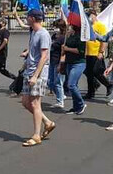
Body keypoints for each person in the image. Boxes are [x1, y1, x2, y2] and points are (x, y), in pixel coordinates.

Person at [19, 9, 56, 147]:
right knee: (25, 102)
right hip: (29, 71)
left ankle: (36, 135)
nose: (26, 19)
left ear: (33, 18)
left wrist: (35, 75)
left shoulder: (43, 34)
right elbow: (35, 51)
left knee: (35, 104)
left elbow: (44, 56)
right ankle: (47, 122)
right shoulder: (33, 32)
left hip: (38, 73)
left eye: (27, 17)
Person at [62, 14, 87, 115]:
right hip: (69, 62)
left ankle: (81, 104)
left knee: (71, 85)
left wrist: (67, 49)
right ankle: (75, 106)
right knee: (74, 85)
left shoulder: (81, 37)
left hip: (78, 63)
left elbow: (80, 51)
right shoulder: (70, 35)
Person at [84, 10, 112, 100]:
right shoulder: (87, 26)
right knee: (89, 73)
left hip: (96, 53)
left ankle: (108, 84)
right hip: (88, 53)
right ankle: (90, 92)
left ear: (94, 15)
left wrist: (101, 52)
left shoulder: (100, 26)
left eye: (89, 15)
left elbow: (104, 40)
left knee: (97, 71)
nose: (88, 17)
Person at [47, 18, 67, 109]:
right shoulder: (54, 36)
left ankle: (60, 101)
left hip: (59, 62)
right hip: (51, 61)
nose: (55, 29)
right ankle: (61, 95)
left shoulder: (63, 38)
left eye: (56, 27)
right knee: (50, 82)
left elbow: (63, 52)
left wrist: (61, 64)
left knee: (57, 82)